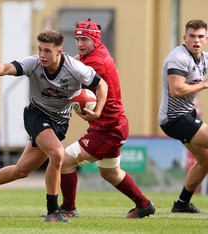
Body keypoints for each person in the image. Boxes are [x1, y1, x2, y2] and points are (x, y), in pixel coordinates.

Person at [0, 30, 108, 222]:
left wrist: (98, 111)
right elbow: (13, 67)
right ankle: (53, 211)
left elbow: (102, 85)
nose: (42, 55)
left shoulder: (75, 68)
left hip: (59, 124)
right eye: (40, 49)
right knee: (58, 154)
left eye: (47, 51)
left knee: (21, 170)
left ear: (59, 52)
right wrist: (1, 69)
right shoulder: (34, 63)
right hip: (36, 115)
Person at [57, 18, 155, 219]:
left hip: (108, 129)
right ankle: (144, 205)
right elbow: (74, 62)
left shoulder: (96, 61)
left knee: (65, 161)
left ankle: (68, 209)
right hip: (113, 125)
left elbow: (74, 73)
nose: (79, 44)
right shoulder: (97, 53)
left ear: (94, 39)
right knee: (110, 173)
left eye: (84, 39)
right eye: (77, 39)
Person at [159, 19, 208, 214]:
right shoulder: (178, 57)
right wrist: (205, 84)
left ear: (206, 39)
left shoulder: (204, 58)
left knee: (205, 161)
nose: (196, 40)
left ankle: (181, 204)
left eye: (200, 37)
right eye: (192, 36)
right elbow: (177, 90)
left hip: (187, 115)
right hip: (174, 118)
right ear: (184, 38)